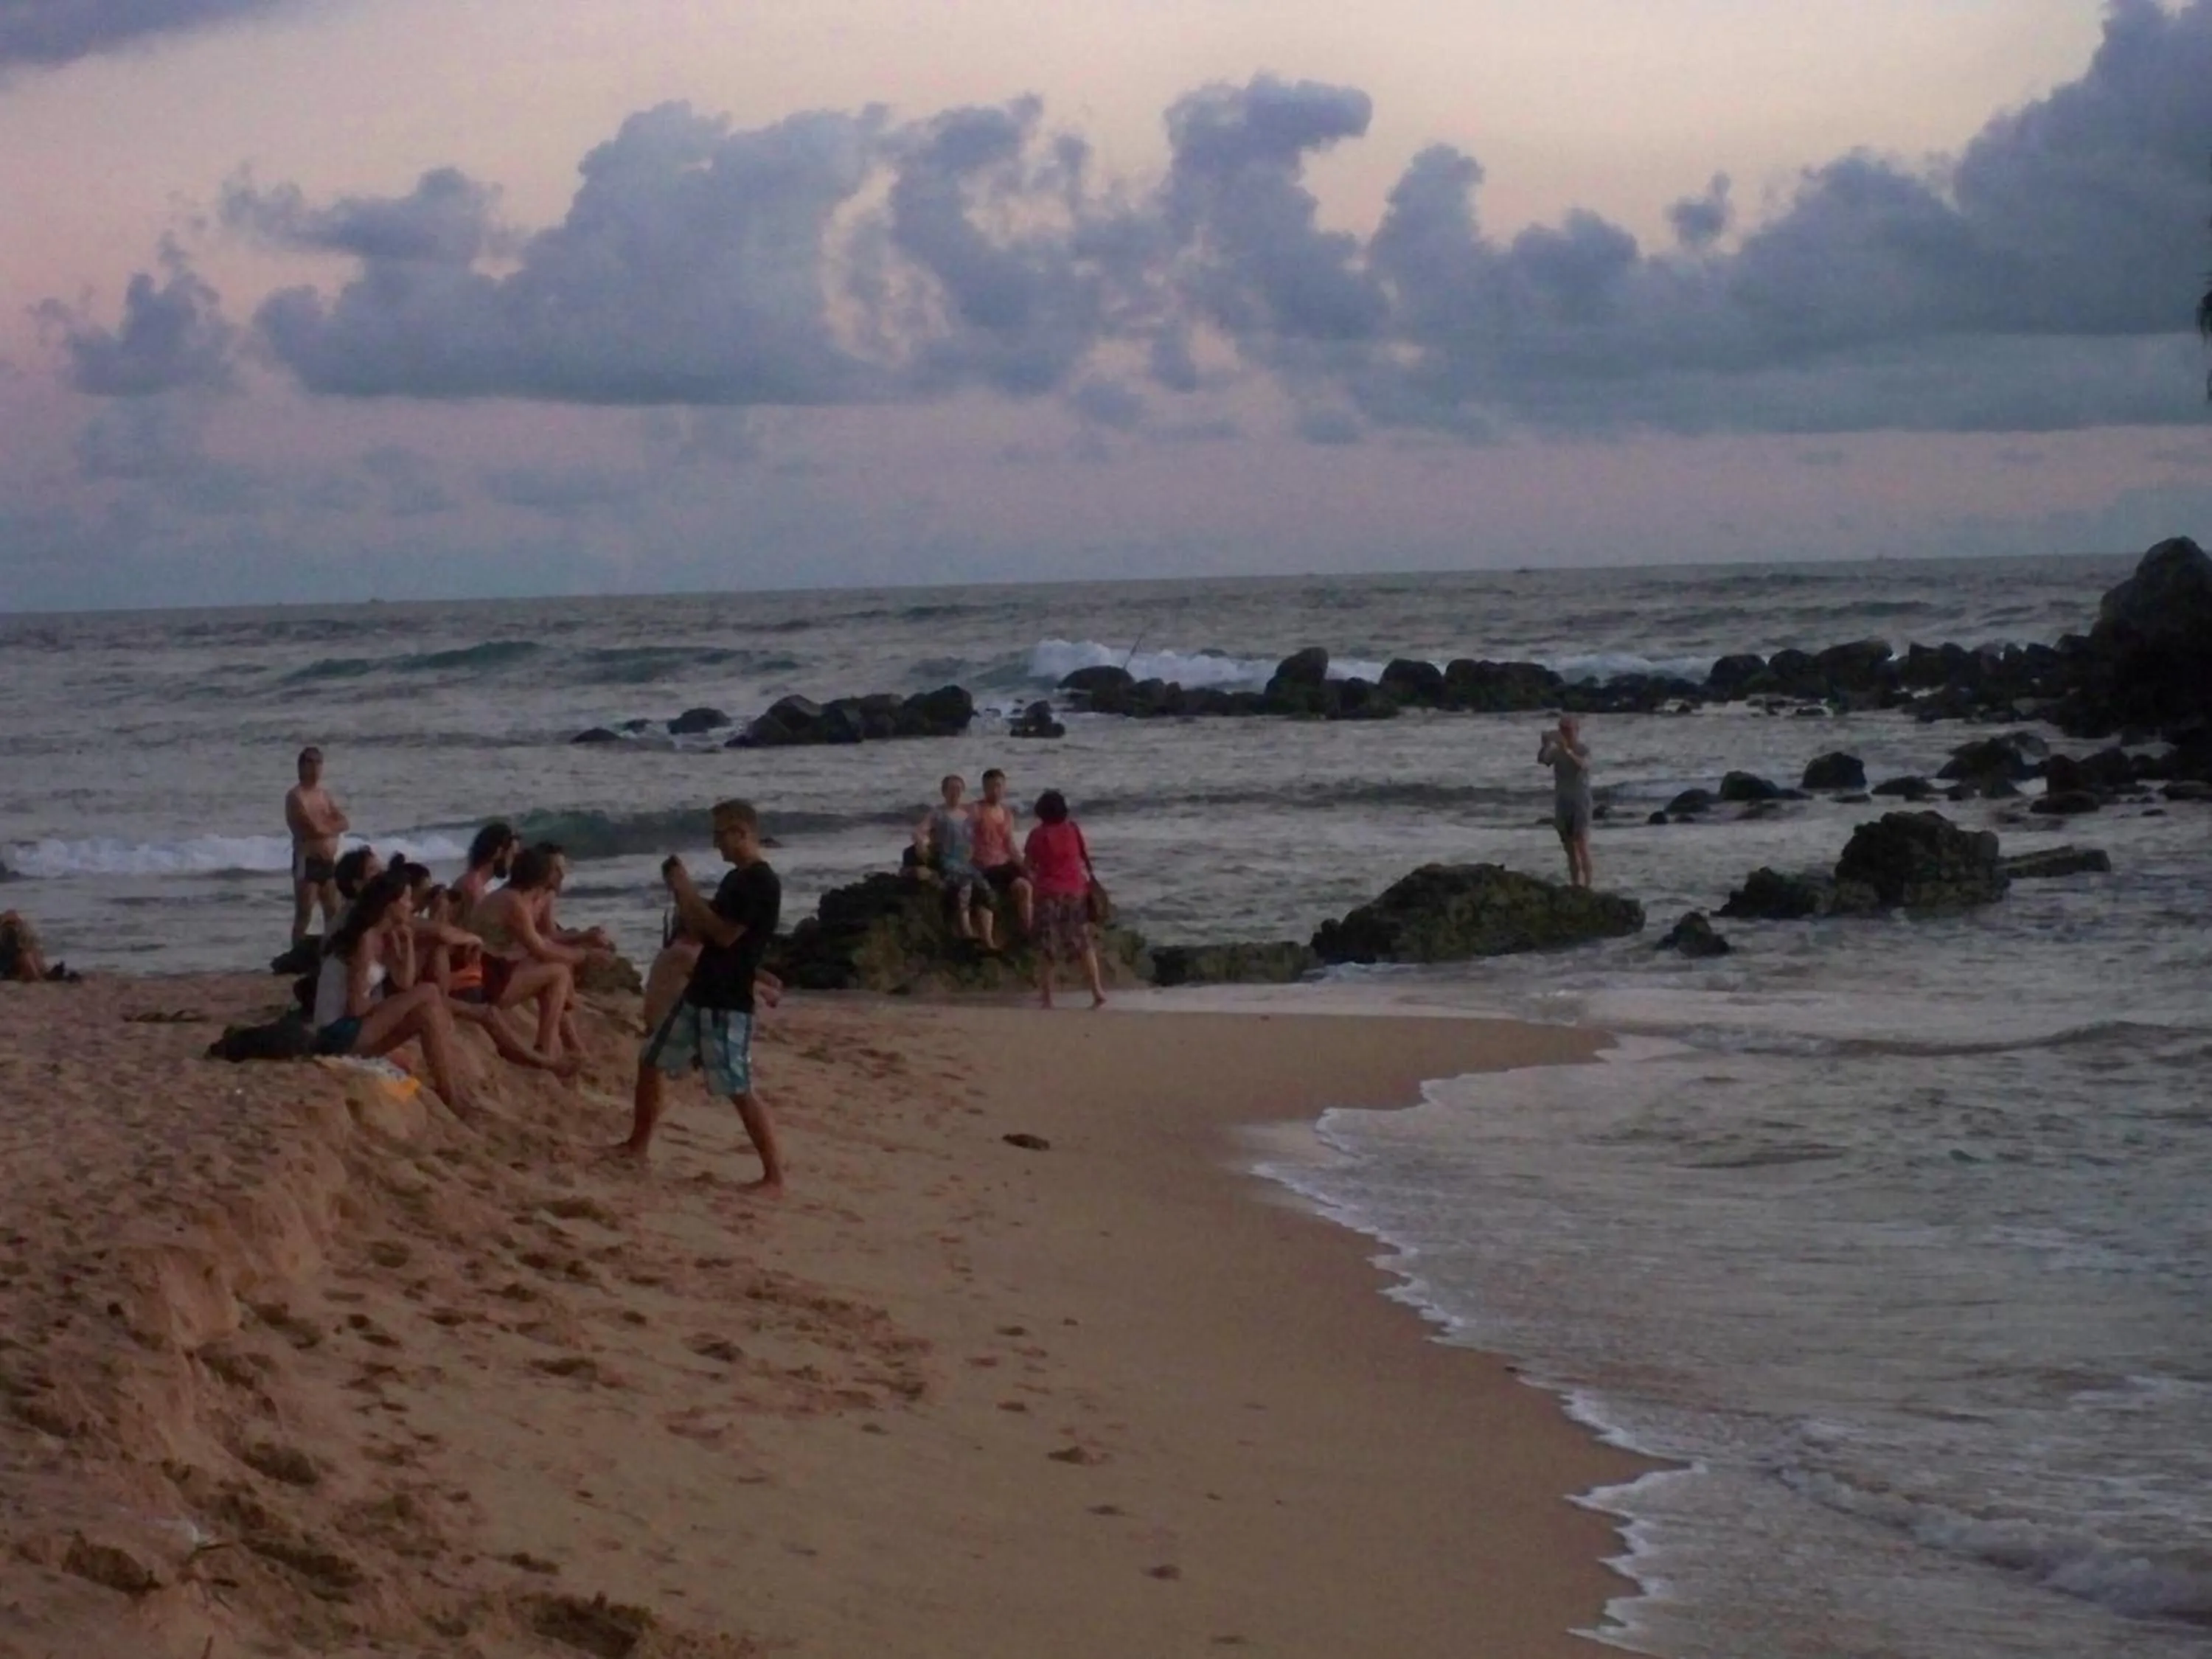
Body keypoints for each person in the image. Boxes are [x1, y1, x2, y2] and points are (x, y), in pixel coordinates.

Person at [619, 799, 785, 1190]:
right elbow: (701, 926)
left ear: (742, 832)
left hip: (728, 999)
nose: (717, 843)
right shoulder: (735, 880)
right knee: (651, 1058)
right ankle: (637, 1144)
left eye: (721, 834)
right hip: (702, 991)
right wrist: (682, 894)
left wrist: (686, 888)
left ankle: (773, 1175)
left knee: (738, 1087)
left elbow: (724, 935)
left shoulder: (760, 882)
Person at [311, 868, 475, 1118]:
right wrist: (390, 1011)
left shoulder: (386, 936)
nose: (411, 905)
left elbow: (404, 983)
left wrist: (407, 944)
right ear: (390, 904)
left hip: (358, 1030)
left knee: (426, 1014)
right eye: (407, 899)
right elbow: (355, 1008)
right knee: (428, 991)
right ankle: (451, 1092)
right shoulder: (364, 940)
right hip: (336, 1033)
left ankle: (449, 1094)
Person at [467, 847, 586, 1067]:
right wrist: (584, 956)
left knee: (553, 967)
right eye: (554, 871)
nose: (559, 875)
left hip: (486, 969)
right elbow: (539, 947)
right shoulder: (514, 903)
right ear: (540, 874)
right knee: (558, 972)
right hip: (482, 980)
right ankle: (546, 1048)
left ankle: (562, 1045)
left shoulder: (510, 896)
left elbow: (538, 946)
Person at [1023, 790, 1105, 1010]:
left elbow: (1029, 866)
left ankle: (1048, 998)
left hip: (1049, 893)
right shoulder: (1073, 829)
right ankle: (1097, 991)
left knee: (1048, 946)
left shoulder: (1037, 835)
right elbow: (1083, 857)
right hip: (1076, 891)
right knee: (1083, 943)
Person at [915, 775, 996, 949]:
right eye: (951, 789)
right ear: (944, 792)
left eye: (959, 789)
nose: (955, 793)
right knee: (965, 882)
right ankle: (966, 930)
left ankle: (988, 938)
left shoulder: (969, 813)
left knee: (985, 888)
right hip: (947, 860)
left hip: (967, 861)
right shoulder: (937, 813)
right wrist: (921, 844)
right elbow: (919, 831)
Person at [285, 747, 349, 944]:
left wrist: (326, 826)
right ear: (301, 766)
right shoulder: (296, 796)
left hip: (328, 861)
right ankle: (296, 954)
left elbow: (344, 822)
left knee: (333, 911)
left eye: (318, 763)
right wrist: (329, 826)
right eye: (310, 763)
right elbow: (313, 830)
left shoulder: (323, 794)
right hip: (308, 860)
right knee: (305, 913)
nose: (315, 768)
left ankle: (328, 953)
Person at [972, 768, 1034, 936]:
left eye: (999, 786)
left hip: (1003, 864)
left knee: (1025, 886)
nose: (995, 791)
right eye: (991, 787)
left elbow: (1010, 845)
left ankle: (1026, 931)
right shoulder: (975, 810)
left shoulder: (1007, 813)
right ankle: (987, 940)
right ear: (984, 788)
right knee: (986, 894)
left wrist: (1024, 865)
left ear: (1004, 787)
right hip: (982, 865)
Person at [1538, 714, 1595, 889]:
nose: (1566, 733)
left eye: (1569, 730)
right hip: (1563, 801)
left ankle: (1588, 885)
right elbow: (1543, 760)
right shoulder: (1557, 752)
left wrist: (1568, 750)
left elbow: (1583, 765)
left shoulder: (1582, 749)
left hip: (1580, 801)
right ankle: (1575, 884)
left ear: (1577, 731)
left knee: (1582, 844)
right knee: (1569, 847)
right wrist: (1545, 744)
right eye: (1563, 730)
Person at [452, 821, 518, 919]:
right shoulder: (474, 888)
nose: (514, 862)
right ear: (498, 852)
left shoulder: (472, 881)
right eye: (512, 855)